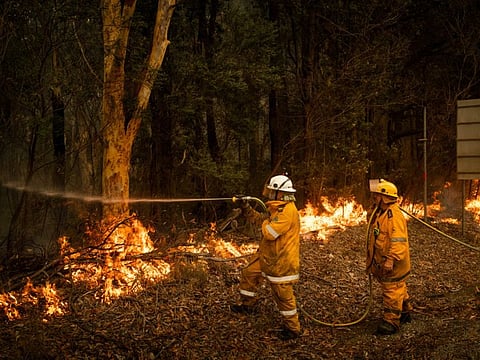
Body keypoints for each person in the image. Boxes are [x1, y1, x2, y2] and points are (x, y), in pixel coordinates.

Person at [231, 174, 301, 340]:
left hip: (281, 262)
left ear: (280, 193)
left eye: (271, 191)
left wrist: (265, 223)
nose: (268, 194)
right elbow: (262, 220)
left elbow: (269, 232)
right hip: (267, 256)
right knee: (249, 273)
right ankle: (248, 305)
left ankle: (293, 328)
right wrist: (246, 208)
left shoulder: (287, 212)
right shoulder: (277, 208)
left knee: (283, 297)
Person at [366, 179, 413, 335]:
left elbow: (399, 240)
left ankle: (391, 321)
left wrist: (391, 259)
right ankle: (405, 311)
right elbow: (372, 224)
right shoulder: (381, 212)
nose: (375, 198)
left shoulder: (394, 216)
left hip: (394, 263)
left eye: (377, 196)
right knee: (399, 286)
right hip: (384, 260)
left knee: (392, 289)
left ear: (385, 197)